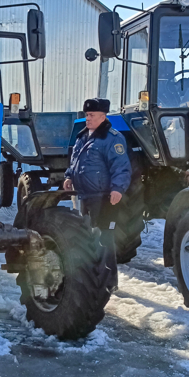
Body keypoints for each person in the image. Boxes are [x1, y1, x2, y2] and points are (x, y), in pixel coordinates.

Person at [63, 98, 132, 259]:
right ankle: (93, 276)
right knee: (87, 237)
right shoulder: (82, 137)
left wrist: (117, 189)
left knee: (104, 240)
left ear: (103, 117)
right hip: (85, 196)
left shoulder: (112, 139)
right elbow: (75, 162)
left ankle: (109, 281)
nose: (88, 118)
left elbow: (121, 167)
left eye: (92, 115)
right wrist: (69, 177)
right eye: (87, 114)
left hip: (103, 198)